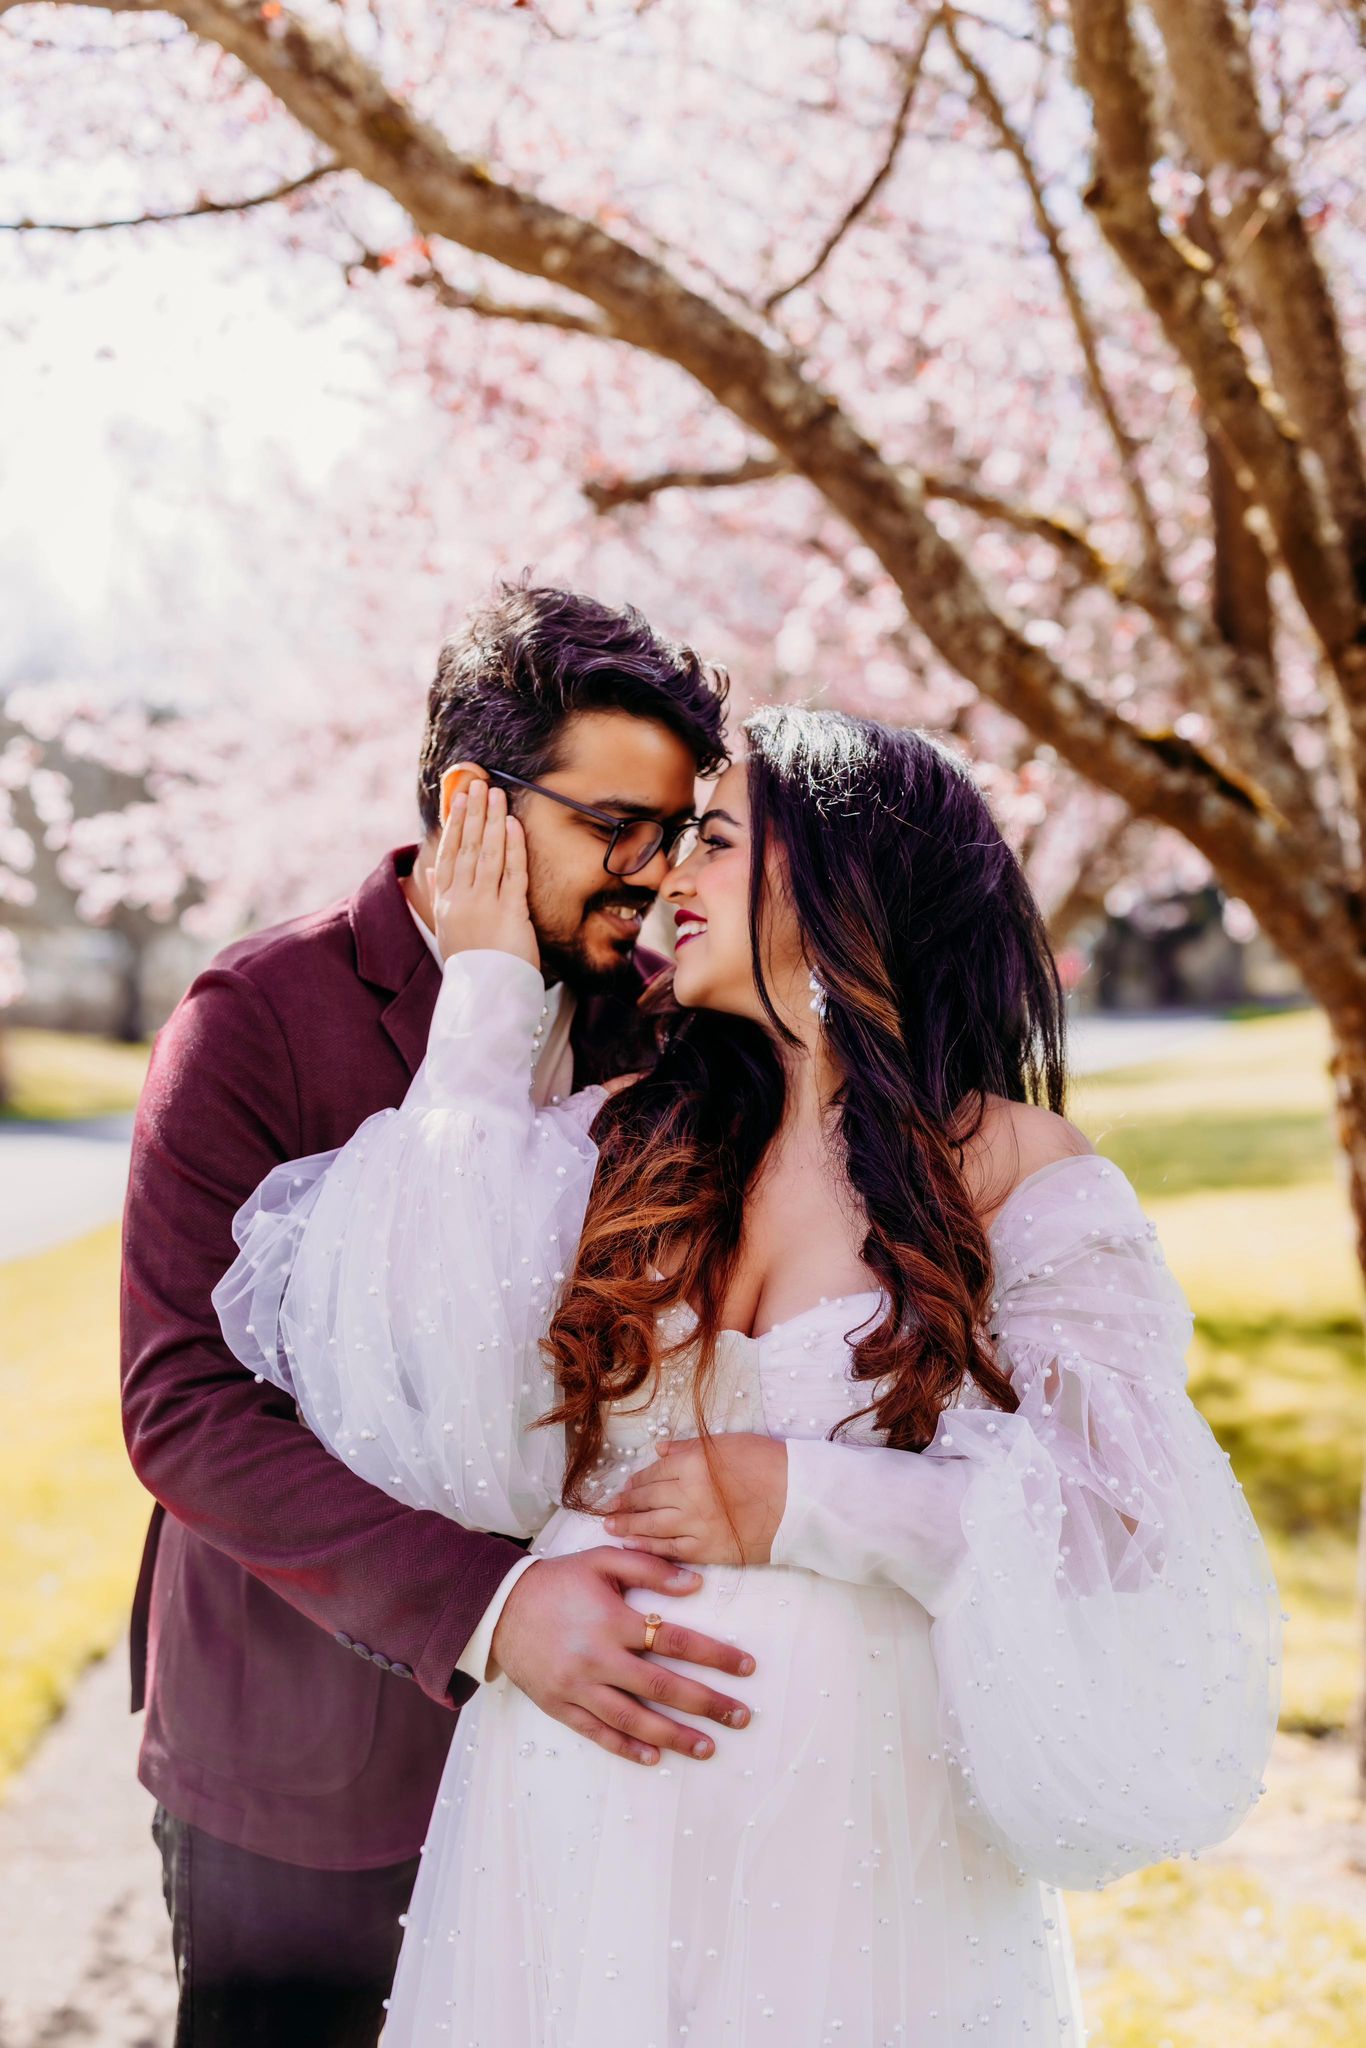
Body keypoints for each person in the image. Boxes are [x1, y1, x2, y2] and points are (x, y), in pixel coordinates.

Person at [216, 706, 1282, 2045]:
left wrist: (808, 1500)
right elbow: (418, 1379)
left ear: (839, 876)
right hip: (567, 1808)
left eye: (714, 840)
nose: (668, 878)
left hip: (856, 1846)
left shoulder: (1018, 1172)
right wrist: (485, 1000)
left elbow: (1119, 1525)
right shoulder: (621, 1141)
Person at [120, 581, 750, 2047]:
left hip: (582, 1754)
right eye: (614, 827)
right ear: (475, 800)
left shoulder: (661, 1025)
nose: (650, 875)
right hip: (300, 1770)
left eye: (671, 834)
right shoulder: (256, 1015)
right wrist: (486, 1609)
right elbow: (183, 1409)